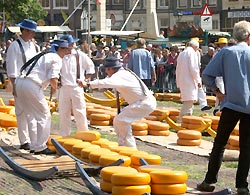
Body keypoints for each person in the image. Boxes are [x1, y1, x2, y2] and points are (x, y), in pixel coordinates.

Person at [197, 20, 250, 195]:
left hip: (231, 104)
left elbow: (206, 74)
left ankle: (209, 180)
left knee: (219, 143)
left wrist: (217, 91)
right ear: (249, 36)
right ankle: (242, 185)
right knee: (247, 147)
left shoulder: (226, 52)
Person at [78, 57, 157, 148]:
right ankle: (124, 144)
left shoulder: (120, 76)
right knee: (119, 120)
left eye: (106, 70)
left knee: (121, 120)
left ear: (110, 69)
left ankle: (128, 147)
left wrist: (88, 84)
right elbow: (105, 83)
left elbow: (106, 82)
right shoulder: (121, 73)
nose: (106, 72)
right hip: (142, 102)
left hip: (144, 103)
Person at [15, 39, 70, 155]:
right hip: (32, 84)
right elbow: (54, 78)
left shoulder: (44, 54)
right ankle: (40, 147)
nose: (67, 52)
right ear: (59, 48)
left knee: (32, 115)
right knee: (44, 115)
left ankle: (34, 145)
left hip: (20, 82)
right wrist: (54, 92)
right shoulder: (56, 58)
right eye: (66, 49)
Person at [6, 19, 38, 151]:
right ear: (24, 31)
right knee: (22, 113)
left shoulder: (34, 46)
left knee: (32, 113)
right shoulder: (15, 46)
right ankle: (25, 141)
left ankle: (34, 140)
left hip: (32, 82)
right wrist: (13, 86)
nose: (33, 35)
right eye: (31, 32)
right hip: (19, 81)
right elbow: (11, 66)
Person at [58, 35, 95, 137]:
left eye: (72, 44)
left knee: (80, 111)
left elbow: (90, 68)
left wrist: (86, 80)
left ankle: (83, 133)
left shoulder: (80, 55)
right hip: (63, 87)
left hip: (76, 87)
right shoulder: (59, 56)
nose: (72, 46)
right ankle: (64, 135)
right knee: (63, 112)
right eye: (70, 44)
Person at [176, 39, 201, 122]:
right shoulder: (192, 53)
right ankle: (182, 120)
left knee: (188, 101)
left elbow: (177, 69)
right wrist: (198, 80)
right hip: (189, 80)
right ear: (196, 47)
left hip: (182, 80)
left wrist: (178, 82)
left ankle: (185, 119)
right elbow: (194, 68)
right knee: (189, 102)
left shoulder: (182, 53)